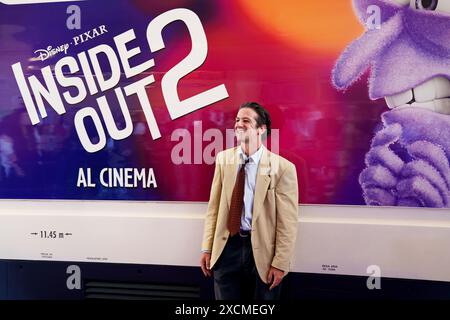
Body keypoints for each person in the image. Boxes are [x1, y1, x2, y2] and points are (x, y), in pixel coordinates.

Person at [200, 102, 299, 300]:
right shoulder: (223, 160)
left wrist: (280, 262)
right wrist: (207, 247)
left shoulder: (283, 168)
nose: (238, 124)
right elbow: (214, 208)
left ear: (261, 130)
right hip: (227, 248)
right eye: (237, 120)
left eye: (246, 120)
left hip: (263, 254)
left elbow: (287, 223)